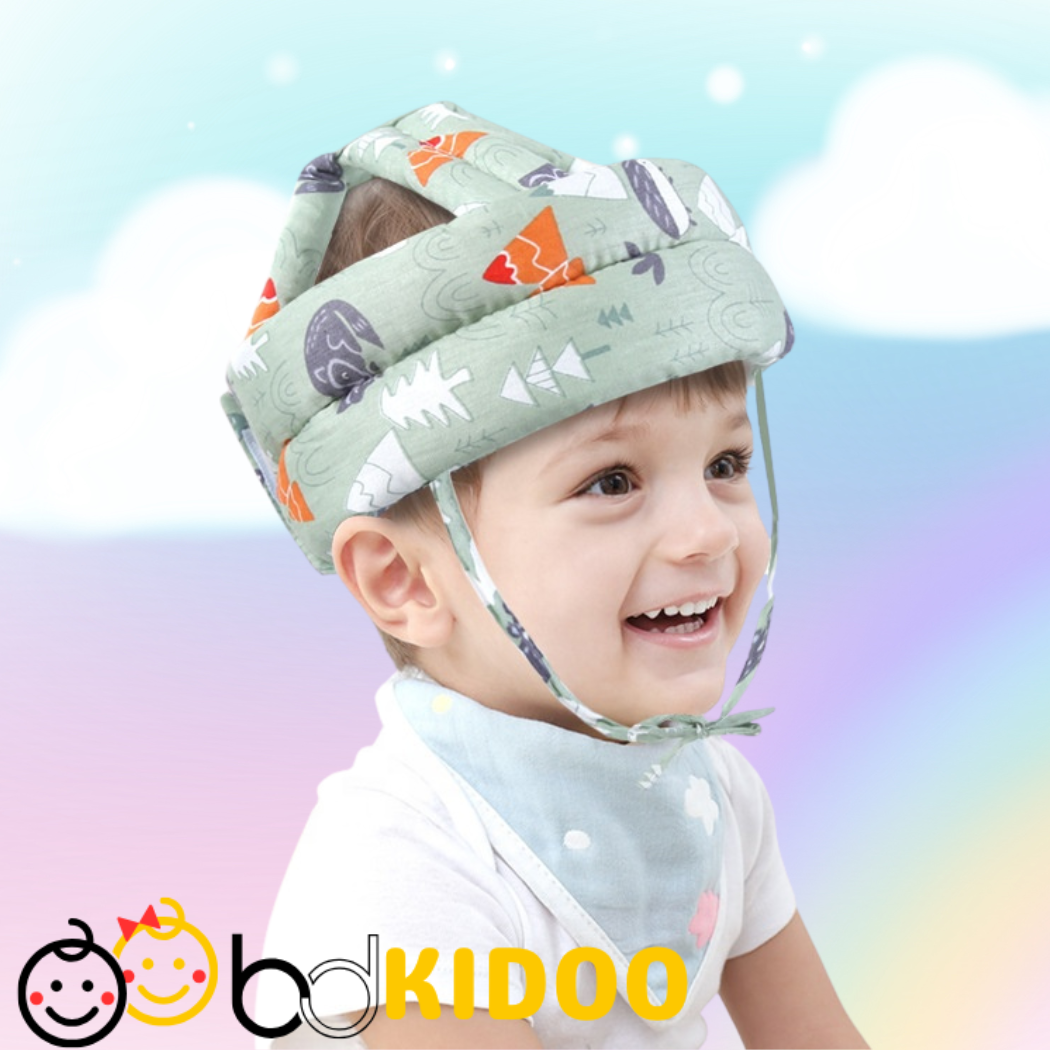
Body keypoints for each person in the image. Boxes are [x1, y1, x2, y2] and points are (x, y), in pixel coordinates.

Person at [222, 102, 868, 1049]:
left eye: (725, 465)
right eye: (612, 482)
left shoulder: (712, 795)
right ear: (405, 581)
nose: (706, 532)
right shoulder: (403, 860)